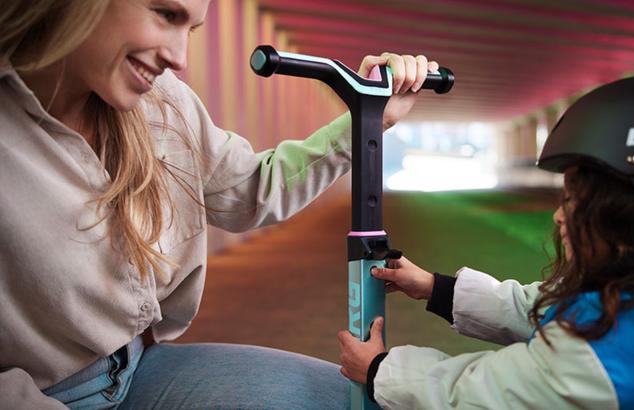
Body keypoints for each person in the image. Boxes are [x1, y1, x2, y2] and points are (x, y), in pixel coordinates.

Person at [0, 0, 440, 408]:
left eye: (190, 29)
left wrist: (368, 117)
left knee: (357, 402)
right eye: (165, 14)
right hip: (42, 394)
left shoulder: (163, 99)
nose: (179, 57)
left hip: (139, 369)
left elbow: (250, 191)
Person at [338, 73, 634, 409]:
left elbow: (472, 394)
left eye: (575, 201)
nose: (560, 215)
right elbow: (542, 309)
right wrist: (435, 287)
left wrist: (378, 369)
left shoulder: (601, 359)